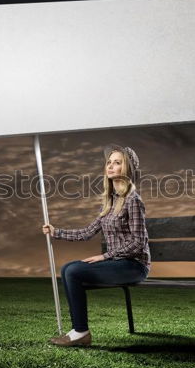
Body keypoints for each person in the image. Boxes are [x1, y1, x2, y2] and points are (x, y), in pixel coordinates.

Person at [41, 144, 151, 347]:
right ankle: (78, 331)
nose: (110, 166)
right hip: (117, 263)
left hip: (134, 266)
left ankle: (80, 333)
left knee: (73, 271)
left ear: (127, 169)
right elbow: (87, 232)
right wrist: (57, 232)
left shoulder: (133, 200)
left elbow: (138, 242)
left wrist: (105, 256)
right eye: (109, 162)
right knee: (67, 269)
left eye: (117, 162)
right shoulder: (110, 202)